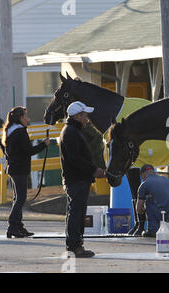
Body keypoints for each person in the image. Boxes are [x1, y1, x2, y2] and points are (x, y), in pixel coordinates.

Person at [60, 101, 105, 258]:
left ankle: (74, 244)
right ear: (78, 116)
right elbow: (75, 159)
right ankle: (75, 245)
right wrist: (94, 170)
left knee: (75, 212)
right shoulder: (72, 132)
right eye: (85, 115)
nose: (87, 119)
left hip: (76, 179)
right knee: (77, 213)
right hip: (77, 179)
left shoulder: (71, 130)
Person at [2, 106, 50, 238]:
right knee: (20, 198)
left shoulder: (11, 131)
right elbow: (28, 151)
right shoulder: (20, 132)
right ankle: (13, 226)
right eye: (25, 116)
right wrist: (43, 145)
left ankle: (18, 226)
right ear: (20, 118)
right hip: (19, 169)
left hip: (13, 168)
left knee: (17, 198)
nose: (27, 119)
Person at [136, 164, 169, 237]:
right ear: (153, 172)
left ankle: (153, 230)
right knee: (165, 200)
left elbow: (138, 209)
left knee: (149, 201)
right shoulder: (165, 179)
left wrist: (143, 211)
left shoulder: (144, 184)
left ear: (143, 174)